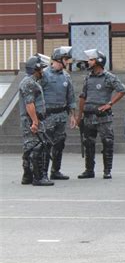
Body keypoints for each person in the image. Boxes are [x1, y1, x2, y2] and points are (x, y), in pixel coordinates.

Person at [75, 49, 125, 179]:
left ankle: (107, 170)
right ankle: (89, 170)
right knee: (88, 143)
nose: (88, 62)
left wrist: (109, 104)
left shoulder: (109, 77)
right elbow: (83, 96)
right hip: (88, 115)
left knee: (107, 142)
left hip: (103, 117)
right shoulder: (88, 77)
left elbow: (122, 90)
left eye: (91, 59)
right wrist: (79, 115)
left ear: (98, 61)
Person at [40, 46, 76, 181]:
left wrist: (73, 115)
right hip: (47, 115)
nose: (67, 62)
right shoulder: (44, 74)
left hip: (61, 115)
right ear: (58, 59)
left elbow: (71, 97)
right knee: (46, 144)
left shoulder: (66, 76)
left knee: (60, 143)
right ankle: (43, 172)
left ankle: (56, 170)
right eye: (65, 59)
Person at [19, 53, 53, 186]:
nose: (43, 71)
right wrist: (35, 122)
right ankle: (38, 177)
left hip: (31, 119)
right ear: (35, 69)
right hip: (31, 120)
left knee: (29, 147)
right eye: (41, 69)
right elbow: (29, 103)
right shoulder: (29, 83)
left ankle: (27, 176)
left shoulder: (30, 82)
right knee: (38, 147)